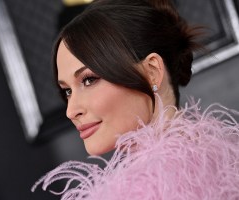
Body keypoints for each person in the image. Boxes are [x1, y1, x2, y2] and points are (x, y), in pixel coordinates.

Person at [32, 0, 239, 199]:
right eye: (67, 91)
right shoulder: (218, 162)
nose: (71, 111)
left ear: (152, 71)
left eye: (89, 80)